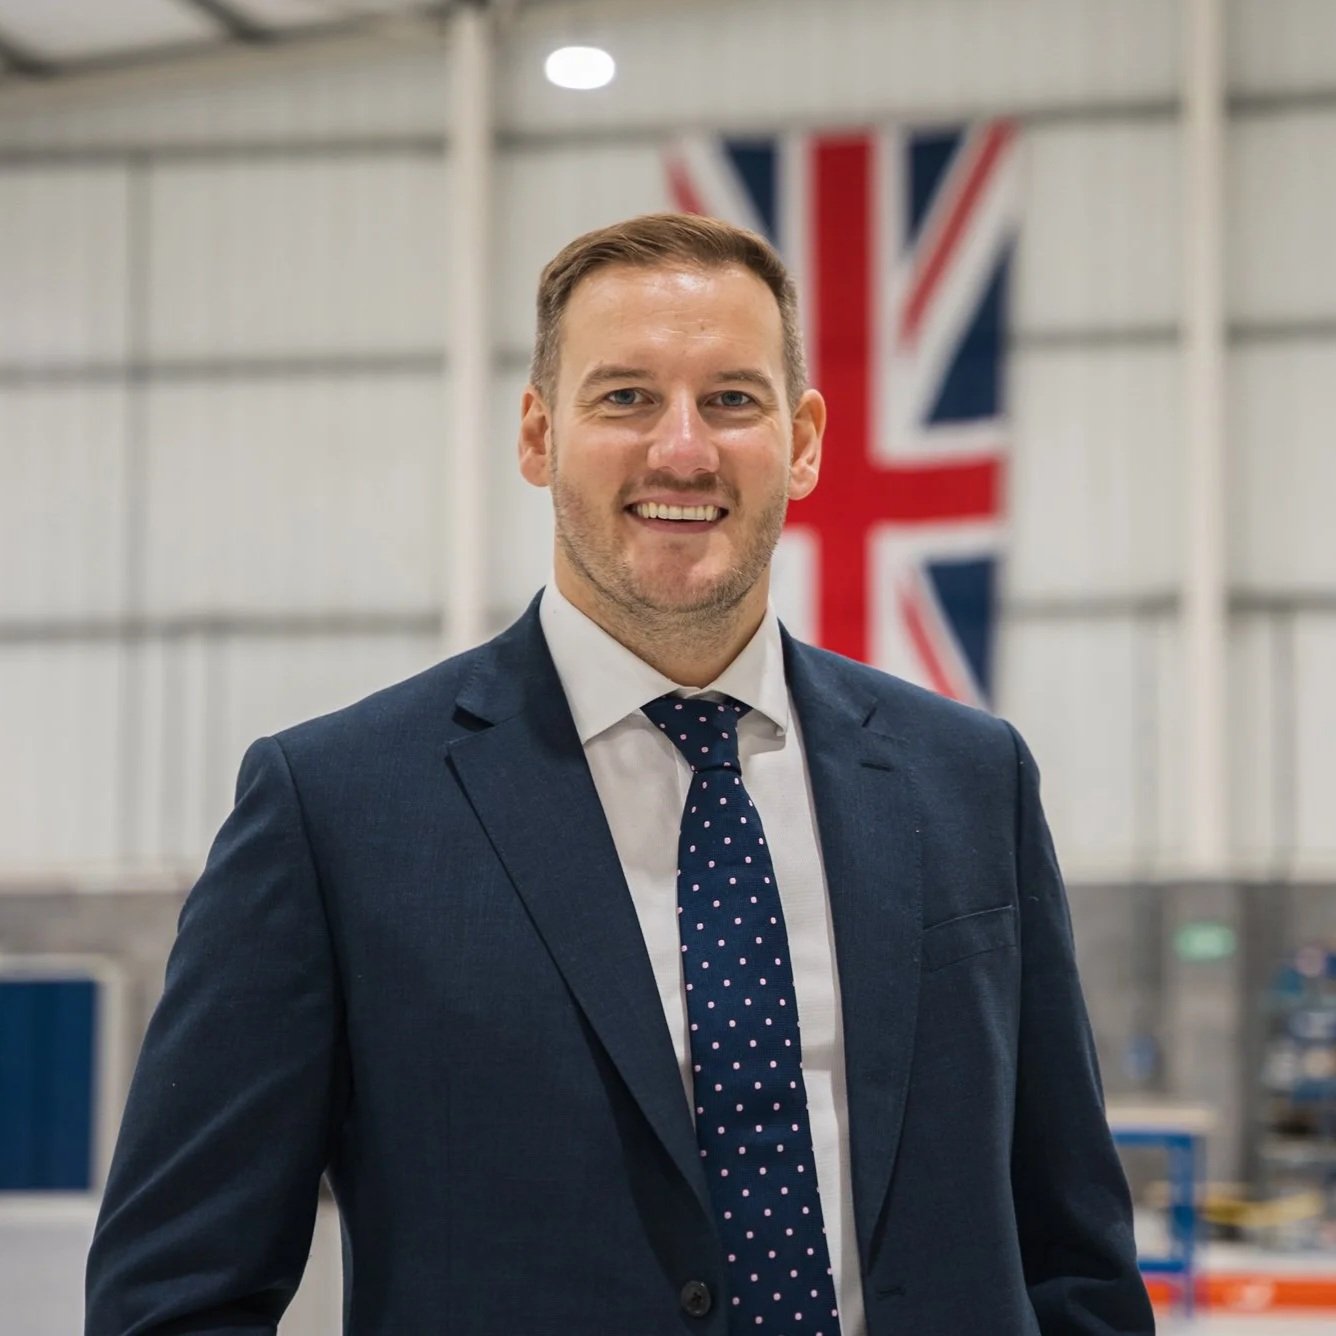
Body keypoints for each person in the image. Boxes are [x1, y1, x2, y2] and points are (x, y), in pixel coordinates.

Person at [86, 213, 1154, 1335]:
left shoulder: (966, 778)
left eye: (731, 400)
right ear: (540, 434)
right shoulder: (338, 809)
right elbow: (175, 1292)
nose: (682, 449)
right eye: (626, 398)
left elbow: (1073, 1254)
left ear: (801, 439)